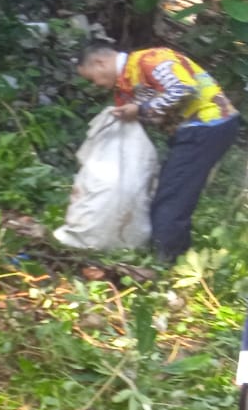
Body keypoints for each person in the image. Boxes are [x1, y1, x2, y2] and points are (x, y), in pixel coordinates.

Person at [77, 43, 241, 264]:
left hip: (208, 124)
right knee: (171, 192)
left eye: (92, 78)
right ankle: (178, 256)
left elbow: (183, 87)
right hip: (192, 130)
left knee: (171, 199)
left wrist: (141, 110)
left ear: (100, 63)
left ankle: (168, 263)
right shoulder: (124, 86)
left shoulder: (151, 59)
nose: (95, 84)